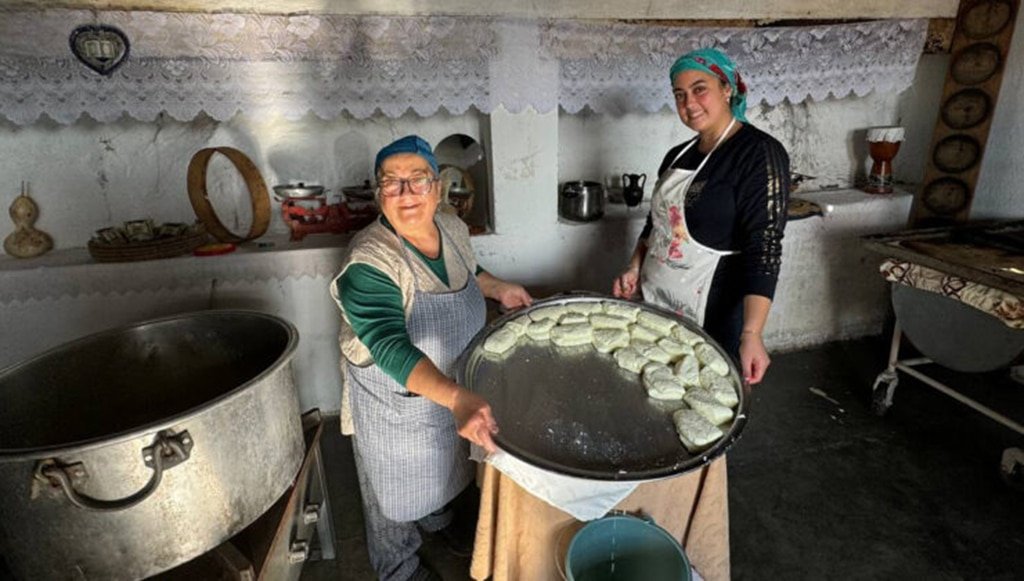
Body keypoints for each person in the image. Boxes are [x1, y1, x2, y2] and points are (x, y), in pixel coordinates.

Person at [330, 135, 532, 581]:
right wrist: (458, 399)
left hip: (448, 389)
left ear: (437, 188)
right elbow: (388, 345)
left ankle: (438, 522)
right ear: (377, 191)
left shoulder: (451, 228)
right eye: (391, 183)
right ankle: (398, 568)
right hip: (392, 405)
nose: (405, 194)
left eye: (417, 181)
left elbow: (468, 272)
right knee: (390, 498)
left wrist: (498, 288)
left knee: (446, 463)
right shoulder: (370, 261)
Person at [612, 48, 790, 385]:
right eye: (679, 94)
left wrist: (752, 333)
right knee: (653, 389)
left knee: (702, 397)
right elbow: (657, 225)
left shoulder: (758, 153)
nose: (689, 103)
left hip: (712, 313)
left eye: (699, 88)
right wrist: (634, 267)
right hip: (654, 300)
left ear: (728, 89)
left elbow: (764, 246)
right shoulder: (676, 155)